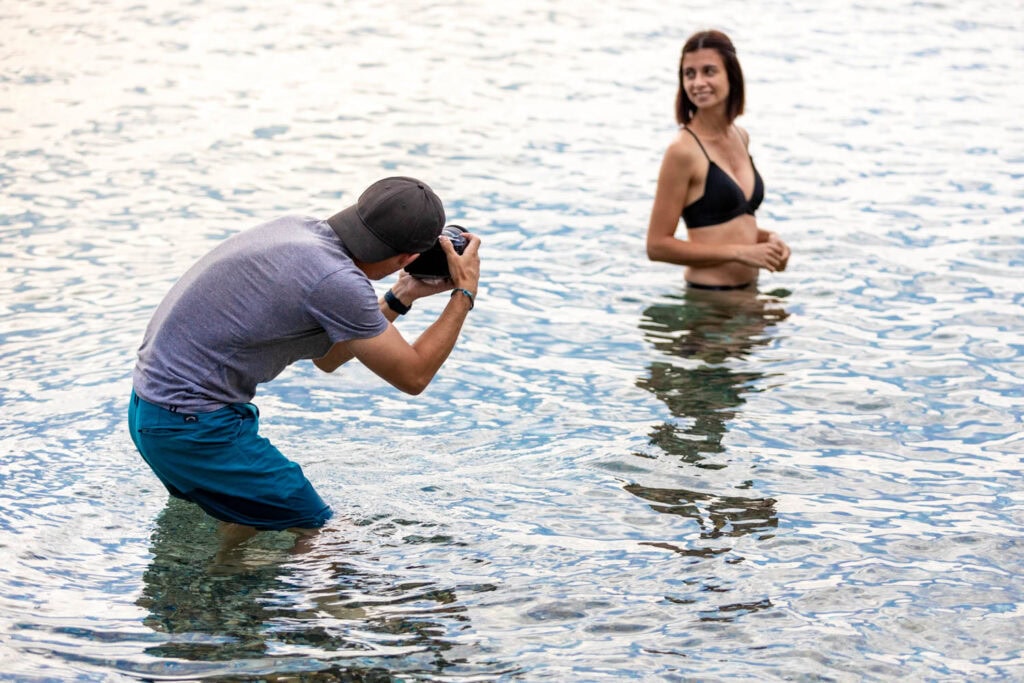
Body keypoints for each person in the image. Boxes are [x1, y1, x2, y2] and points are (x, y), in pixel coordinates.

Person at [128, 176, 481, 536]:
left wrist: (402, 293)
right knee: (323, 534)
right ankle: (241, 588)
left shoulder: (298, 230)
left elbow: (328, 358)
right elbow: (414, 376)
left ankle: (221, 584)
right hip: (192, 426)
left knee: (252, 517)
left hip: (151, 414)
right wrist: (463, 293)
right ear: (408, 257)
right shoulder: (338, 281)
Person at [647, 30, 790, 290]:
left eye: (709, 71)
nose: (698, 82)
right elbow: (657, 246)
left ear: (731, 76)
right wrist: (739, 253)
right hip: (707, 304)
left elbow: (728, 226)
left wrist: (769, 239)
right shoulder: (682, 151)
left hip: (749, 297)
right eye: (689, 74)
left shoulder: (740, 136)